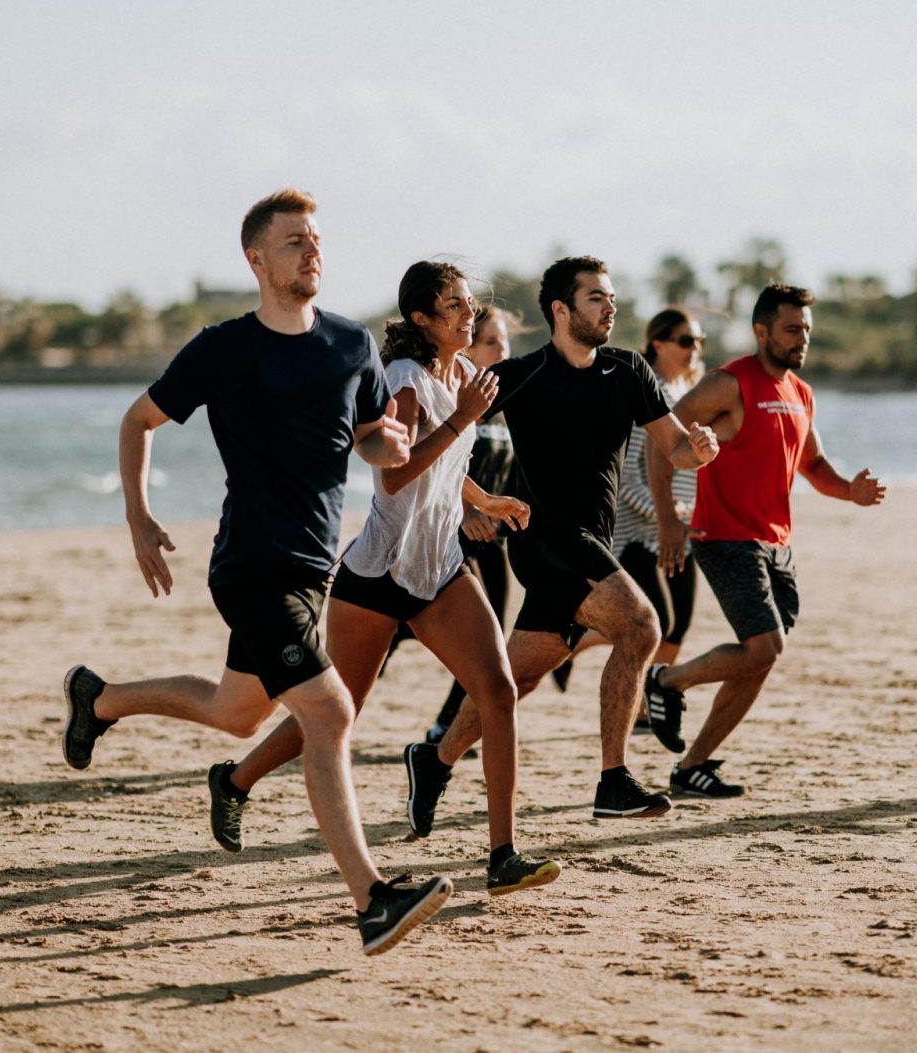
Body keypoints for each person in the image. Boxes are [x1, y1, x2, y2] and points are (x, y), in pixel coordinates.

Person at [59, 188, 452, 956]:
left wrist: (391, 447)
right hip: (249, 566)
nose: (313, 251)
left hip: (312, 568)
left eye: (317, 239)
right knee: (330, 712)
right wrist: (137, 515)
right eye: (296, 241)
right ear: (257, 259)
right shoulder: (223, 348)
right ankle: (372, 899)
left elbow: (372, 436)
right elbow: (138, 420)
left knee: (237, 713)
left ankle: (98, 698)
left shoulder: (350, 344)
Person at [206, 262, 561, 897]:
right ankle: (235, 781)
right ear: (423, 320)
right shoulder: (404, 381)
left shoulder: (461, 377)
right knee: (339, 710)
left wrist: (485, 501)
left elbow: (444, 469)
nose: (468, 311)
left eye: (468, 301)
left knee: (498, 691)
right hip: (377, 573)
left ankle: (502, 855)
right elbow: (396, 475)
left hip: (439, 568)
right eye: (452, 305)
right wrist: (463, 419)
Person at [404, 256, 720, 831]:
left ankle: (434, 759)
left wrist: (699, 449)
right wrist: (470, 506)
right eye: (596, 297)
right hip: (545, 536)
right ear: (561, 309)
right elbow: (443, 439)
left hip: (590, 540)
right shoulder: (522, 374)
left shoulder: (628, 371)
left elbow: (675, 448)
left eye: (610, 297)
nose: (610, 306)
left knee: (516, 679)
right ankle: (613, 780)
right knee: (641, 625)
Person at [643, 283, 887, 798]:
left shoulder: (800, 392)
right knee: (765, 645)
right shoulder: (727, 384)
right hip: (725, 537)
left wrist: (851, 492)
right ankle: (667, 682)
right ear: (762, 332)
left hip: (777, 544)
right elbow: (659, 439)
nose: (802, 339)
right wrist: (667, 519)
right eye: (792, 329)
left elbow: (813, 466)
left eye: (807, 331)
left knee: (761, 657)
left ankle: (692, 767)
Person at [549, 308, 708, 706]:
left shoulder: (684, 393)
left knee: (678, 625)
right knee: (656, 622)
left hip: (679, 527)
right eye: (686, 341)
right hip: (639, 533)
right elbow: (627, 477)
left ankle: (645, 706)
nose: (695, 349)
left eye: (700, 342)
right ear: (659, 343)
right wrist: (667, 516)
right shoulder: (647, 391)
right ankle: (572, 645)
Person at [423, 303, 520, 744]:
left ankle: (446, 720)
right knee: (472, 638)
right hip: (453, 537)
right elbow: (432, 464)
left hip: (493, 541)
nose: (503, 350)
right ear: (469, 349)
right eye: (491, 342)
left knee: (490, 637)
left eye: (506, 341)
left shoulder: (504, 406)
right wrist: (466, 511)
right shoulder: (455, 402)